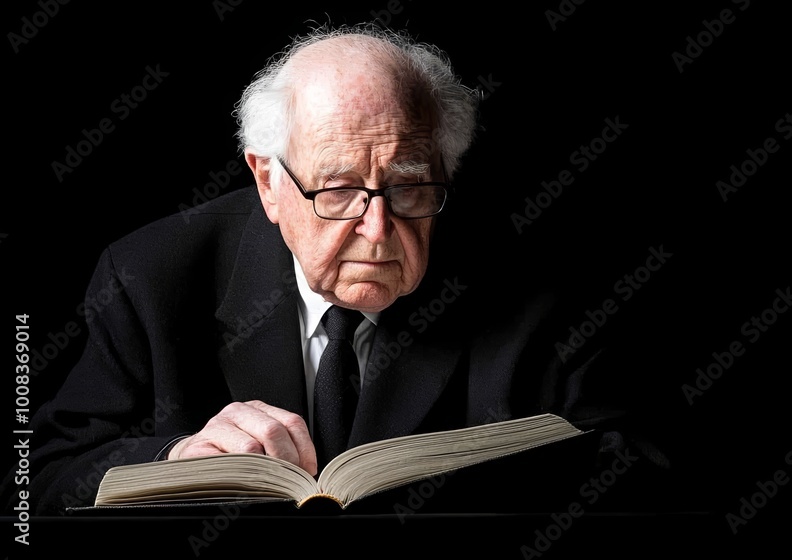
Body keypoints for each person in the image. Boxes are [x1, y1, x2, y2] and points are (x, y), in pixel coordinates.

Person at [3, 23, 660, 516]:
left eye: (408, 188)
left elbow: (654, 472)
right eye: (338, 190)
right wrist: (175, 460)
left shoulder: (546, 284)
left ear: (444, 171)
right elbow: (30, 487)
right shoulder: (146, 276)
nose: (376, 231)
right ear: (267, 182)